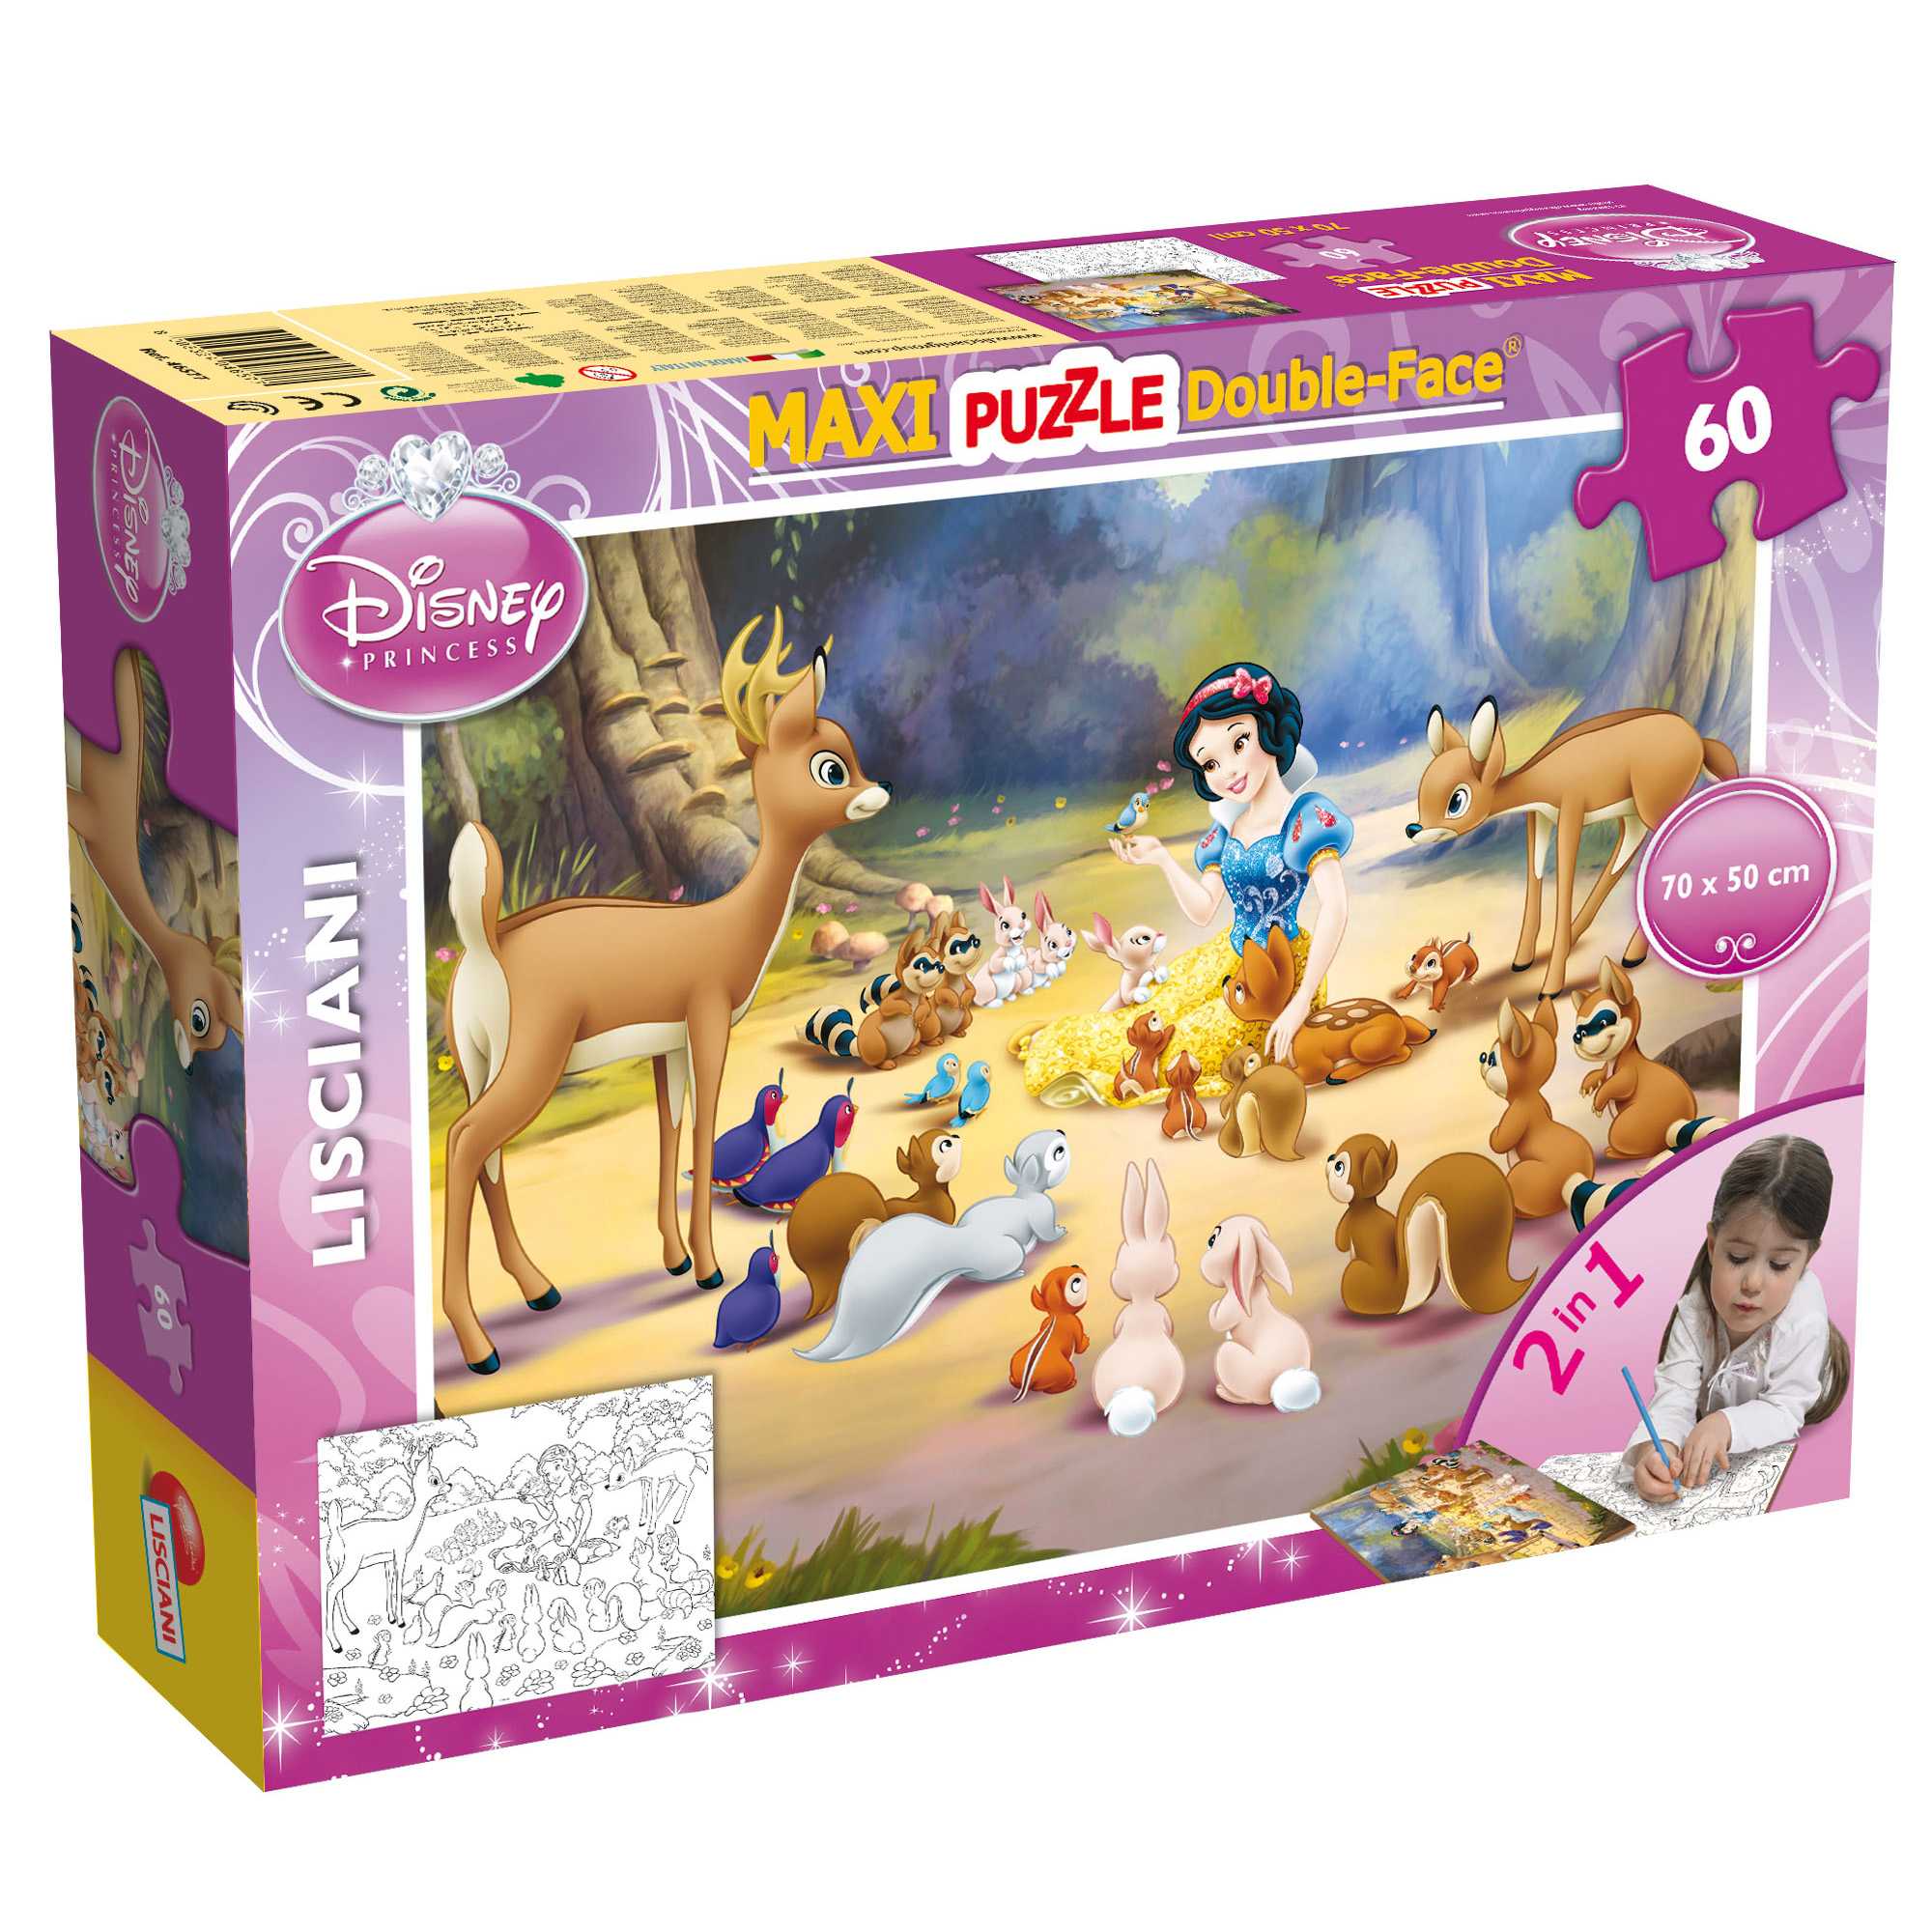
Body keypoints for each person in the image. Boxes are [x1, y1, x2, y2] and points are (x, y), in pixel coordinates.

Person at [1017, 662, 1352, 1105]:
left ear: (1269, 731)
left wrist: (1302, 999)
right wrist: (1161, 858)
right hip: (1227, 957)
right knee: (1153, 1015)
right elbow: (1203, 910)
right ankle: (1068, 1045)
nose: (1228, 771)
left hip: (1279, 975)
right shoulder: (1228, 828)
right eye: (1211, 762)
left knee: (1178, 1049)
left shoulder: (1305, 818)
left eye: (1239, 743)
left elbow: (1335, 907)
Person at [1627, 1134, 1850, 1502]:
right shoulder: (1696, 1308)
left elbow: (1785, 1407)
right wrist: (1656, 1448)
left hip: (1809, 1388)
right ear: (1714, 1244)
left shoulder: (1803, 1322)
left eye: (1780, 1264)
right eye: (1738, 1258)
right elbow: (1675, 1393)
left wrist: (1726, 1424)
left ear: (1806, 1260)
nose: (1753, 1283)